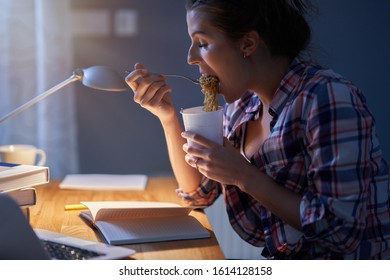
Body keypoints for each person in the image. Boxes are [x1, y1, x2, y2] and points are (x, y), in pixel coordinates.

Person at [125, 0, 390, 259]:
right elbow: (198, 194)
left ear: (248, 44)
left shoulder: (327, 97)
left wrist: (242, 175)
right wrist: (168, 117)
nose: (190, 58)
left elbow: (340, 230)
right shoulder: (242, 105)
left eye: (202, 43)